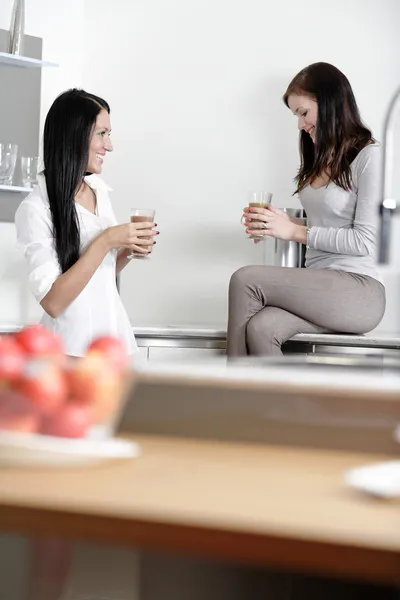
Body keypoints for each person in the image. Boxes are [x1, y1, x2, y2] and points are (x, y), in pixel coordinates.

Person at [227, 62, 385, 357]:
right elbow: (325, 222)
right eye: (296, 116)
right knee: (262, 328)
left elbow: (366, 241)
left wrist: (294, 231)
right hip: (320, 289)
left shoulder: (368, 158)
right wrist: (279, 222)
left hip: (359, 291)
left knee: (244, 279)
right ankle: (271, 404)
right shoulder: (319, 160)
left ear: (329, 103)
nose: (300, 124)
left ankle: (230, 396)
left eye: (303, 113)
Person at [15, 89, 159, 358]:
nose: (110, 145)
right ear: (75, 135)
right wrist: (106, 240)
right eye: (101, 133)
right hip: (71, 350)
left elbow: (100, 272)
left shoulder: (98, 192)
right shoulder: (35, 209)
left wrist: (127, 248)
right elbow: (54, 302)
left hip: (114, 339)